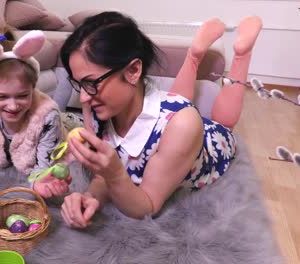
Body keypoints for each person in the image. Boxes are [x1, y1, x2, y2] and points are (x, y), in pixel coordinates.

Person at [59, 11, 262, 228]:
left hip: (212, 142)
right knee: (178, 104)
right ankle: (194, 56)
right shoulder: (97, 108)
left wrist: (116, 173)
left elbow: (148, 205)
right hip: (175, 125)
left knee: (221, 122)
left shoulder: (182, 125)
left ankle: (241, 54)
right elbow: (102, 179)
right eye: (79, 84)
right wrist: (90, 197)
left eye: (91, 83)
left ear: (134, 70)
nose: (83, 97)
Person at [0, 24, 71, 211]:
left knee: (77, 134)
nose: (13, 106)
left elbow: (44, 164)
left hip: (63, 125)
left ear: (33, 87)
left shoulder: (47, 116)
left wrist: (37, 183)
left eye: (23, 95)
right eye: (1, 97)